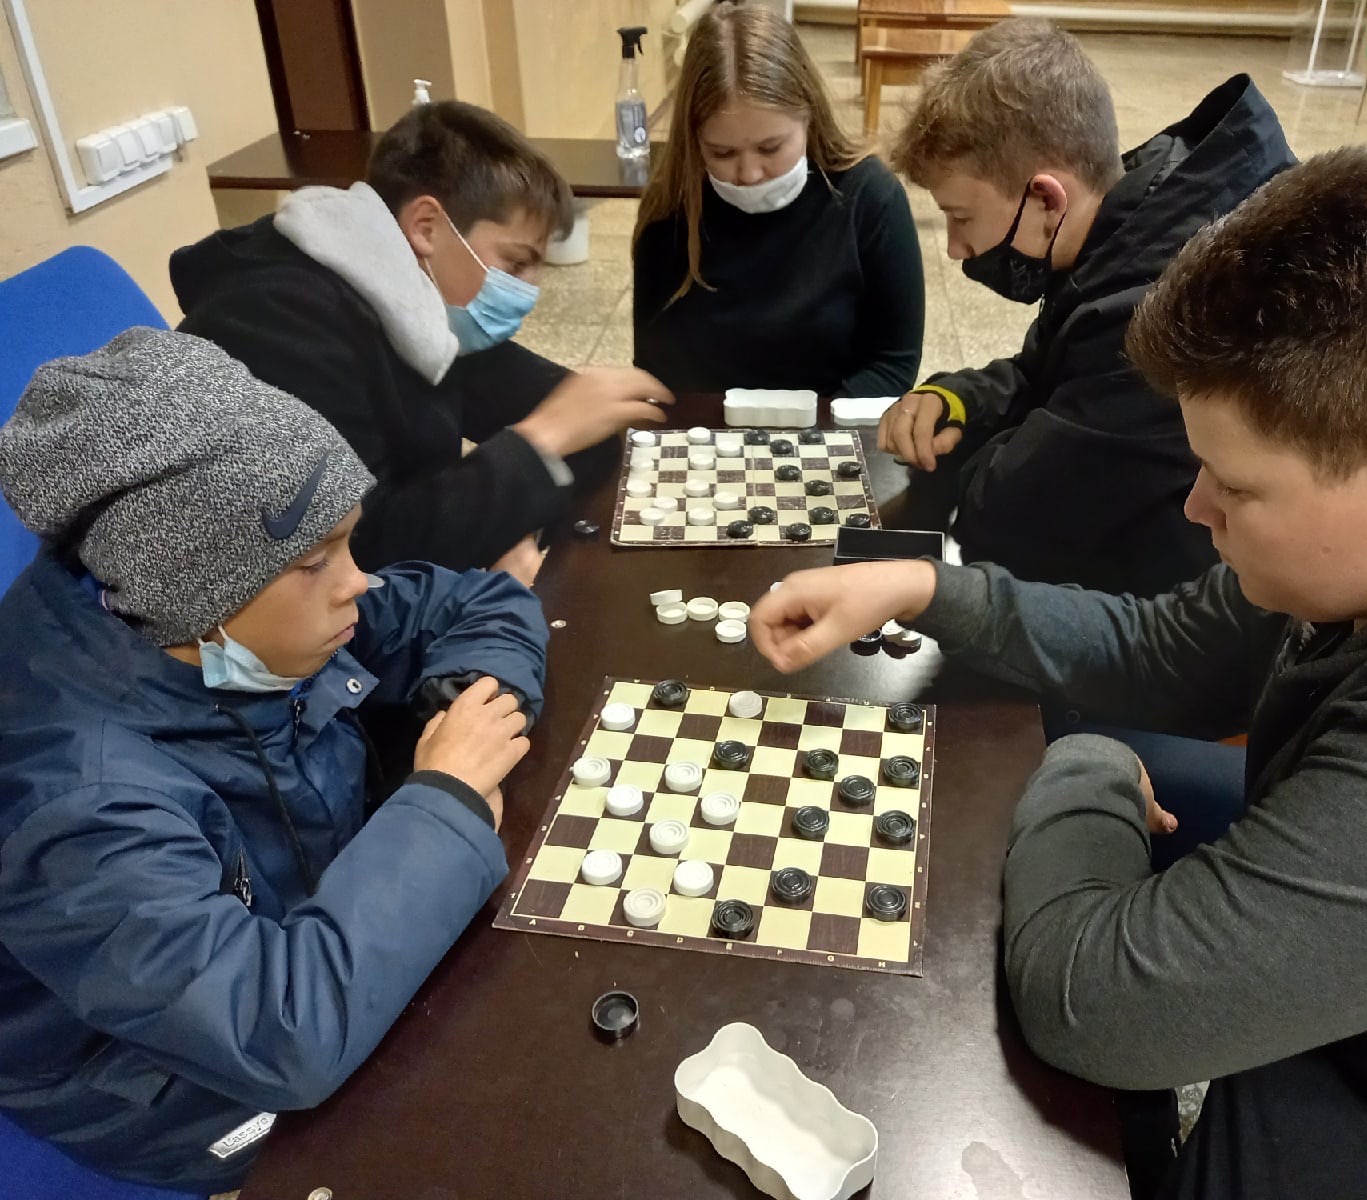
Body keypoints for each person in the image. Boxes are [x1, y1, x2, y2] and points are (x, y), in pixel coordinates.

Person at [749, 145, 1367, 1200]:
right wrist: (925, 589)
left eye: (1234, 487)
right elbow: (1163, 652)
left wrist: (1092, 764)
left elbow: (1095, 1009)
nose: (1196, 509)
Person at [0, 329, 547, 1193]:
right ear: (191, 592)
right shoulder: (77, 809)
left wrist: (462, 708)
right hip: (167, 1085)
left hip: (311, 942)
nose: (358, 582)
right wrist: (443, 800)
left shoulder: (242, 622)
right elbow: (278, 1036)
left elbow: (478, 601)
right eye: (317, 559)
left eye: (350, 542)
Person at [172, 100, 671, 584]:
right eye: (515, 263)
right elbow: (353, 554)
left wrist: (570, 431)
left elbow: (550, 401)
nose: (529, 290)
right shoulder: (280, 323)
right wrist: (544, 439)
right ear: (426, 227)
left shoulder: (414, 296)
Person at [879, 19, 1294, 593]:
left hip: (1164, 602)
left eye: (961, 217)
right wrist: (961, 400)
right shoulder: (1131, 218)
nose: (955, 249)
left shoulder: (1158, 306)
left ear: (1047, 198)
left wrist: (960, 457)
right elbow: (1045, 375)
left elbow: (1006, 518)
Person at [632, 2, 924, 398]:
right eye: (722, 153)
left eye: (770, 148)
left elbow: (894, 362)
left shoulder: (870, 198)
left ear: (809, 117)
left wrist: (809, 425)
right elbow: (654, 370)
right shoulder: (670, 207)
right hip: (708, 428)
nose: (749, 174)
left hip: (830, 422)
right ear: (694, 141)